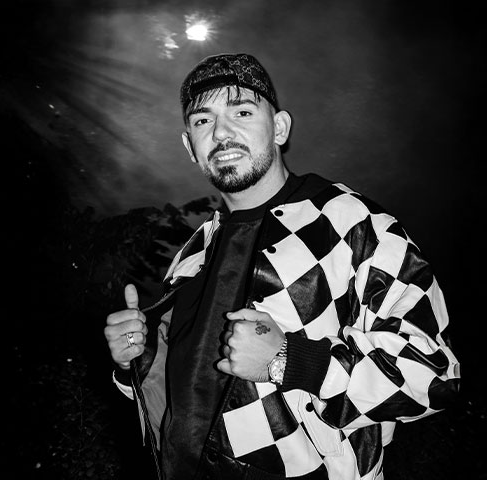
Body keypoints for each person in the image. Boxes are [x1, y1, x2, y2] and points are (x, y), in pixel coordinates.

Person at [103, 53, 460, 480]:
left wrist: (288, 360)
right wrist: (137, 360)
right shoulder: (194, 252)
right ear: (189, 146)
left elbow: (433, 375)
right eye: (202, 120)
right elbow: (187, 394)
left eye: (242, 112)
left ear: (279, 128)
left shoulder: (352, 222)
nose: (221, 132)